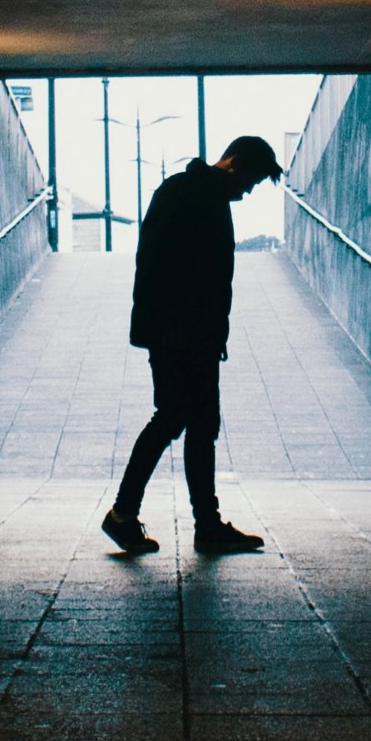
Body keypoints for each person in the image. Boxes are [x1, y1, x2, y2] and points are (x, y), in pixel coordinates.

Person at [105, 133, 280, 556]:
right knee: (173, 419)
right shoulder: (186, 193)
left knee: (198, 425)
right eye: (251, 181)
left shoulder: (204, 196)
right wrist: (171, 333)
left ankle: (205, 524)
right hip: (178, 336)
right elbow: (157, 265)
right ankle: (125, 515)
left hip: (193, 337)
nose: (247, 192)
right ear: (234, 164)